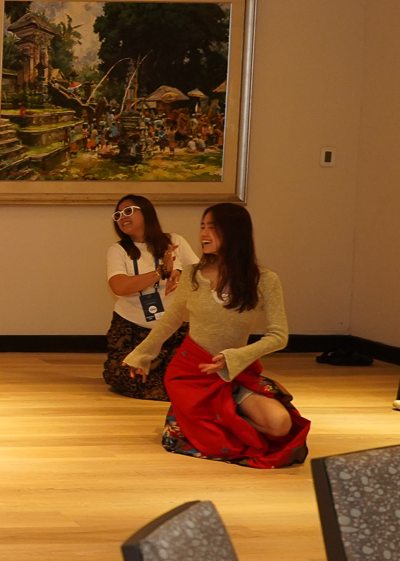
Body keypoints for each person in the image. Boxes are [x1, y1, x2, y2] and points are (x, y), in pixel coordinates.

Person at [125, 203, 309, 469]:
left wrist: (234, 358)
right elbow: (171, 320)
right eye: (202, 226)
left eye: (212, 227)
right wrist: (141, 354)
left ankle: (214, 418)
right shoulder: (192, 274)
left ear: (234, 232)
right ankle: (204, 418)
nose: (203, 233)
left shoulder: (265, 280)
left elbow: (279, 336)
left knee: (280, 425)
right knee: (221, 440)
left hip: (234, 373)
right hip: (190, 373)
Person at [103, 195, 196, 400]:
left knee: (188, 377)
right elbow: (119, 286)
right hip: (131, 329)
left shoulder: (174, 241)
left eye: (128, 211)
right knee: (128, 378)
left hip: (171, 329)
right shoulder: (118, 250)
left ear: (146, 212)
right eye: (118, 215)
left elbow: (202, 276)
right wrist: (161, 271)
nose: (122, 217)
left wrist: (179, 273)